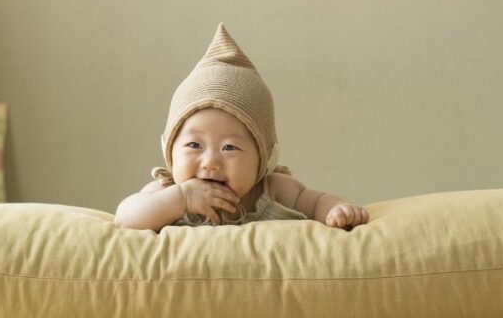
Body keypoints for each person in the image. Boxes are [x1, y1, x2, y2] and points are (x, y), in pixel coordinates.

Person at [113, 22, 369, 232]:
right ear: (169, 151)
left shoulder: (273, 189)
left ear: (263, 158)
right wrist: (181, 199)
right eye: (194, 145)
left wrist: (337, 209)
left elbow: (317, 202)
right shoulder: (166, 193)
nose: (210, 162)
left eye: (229, 147)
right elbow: (125, 218)